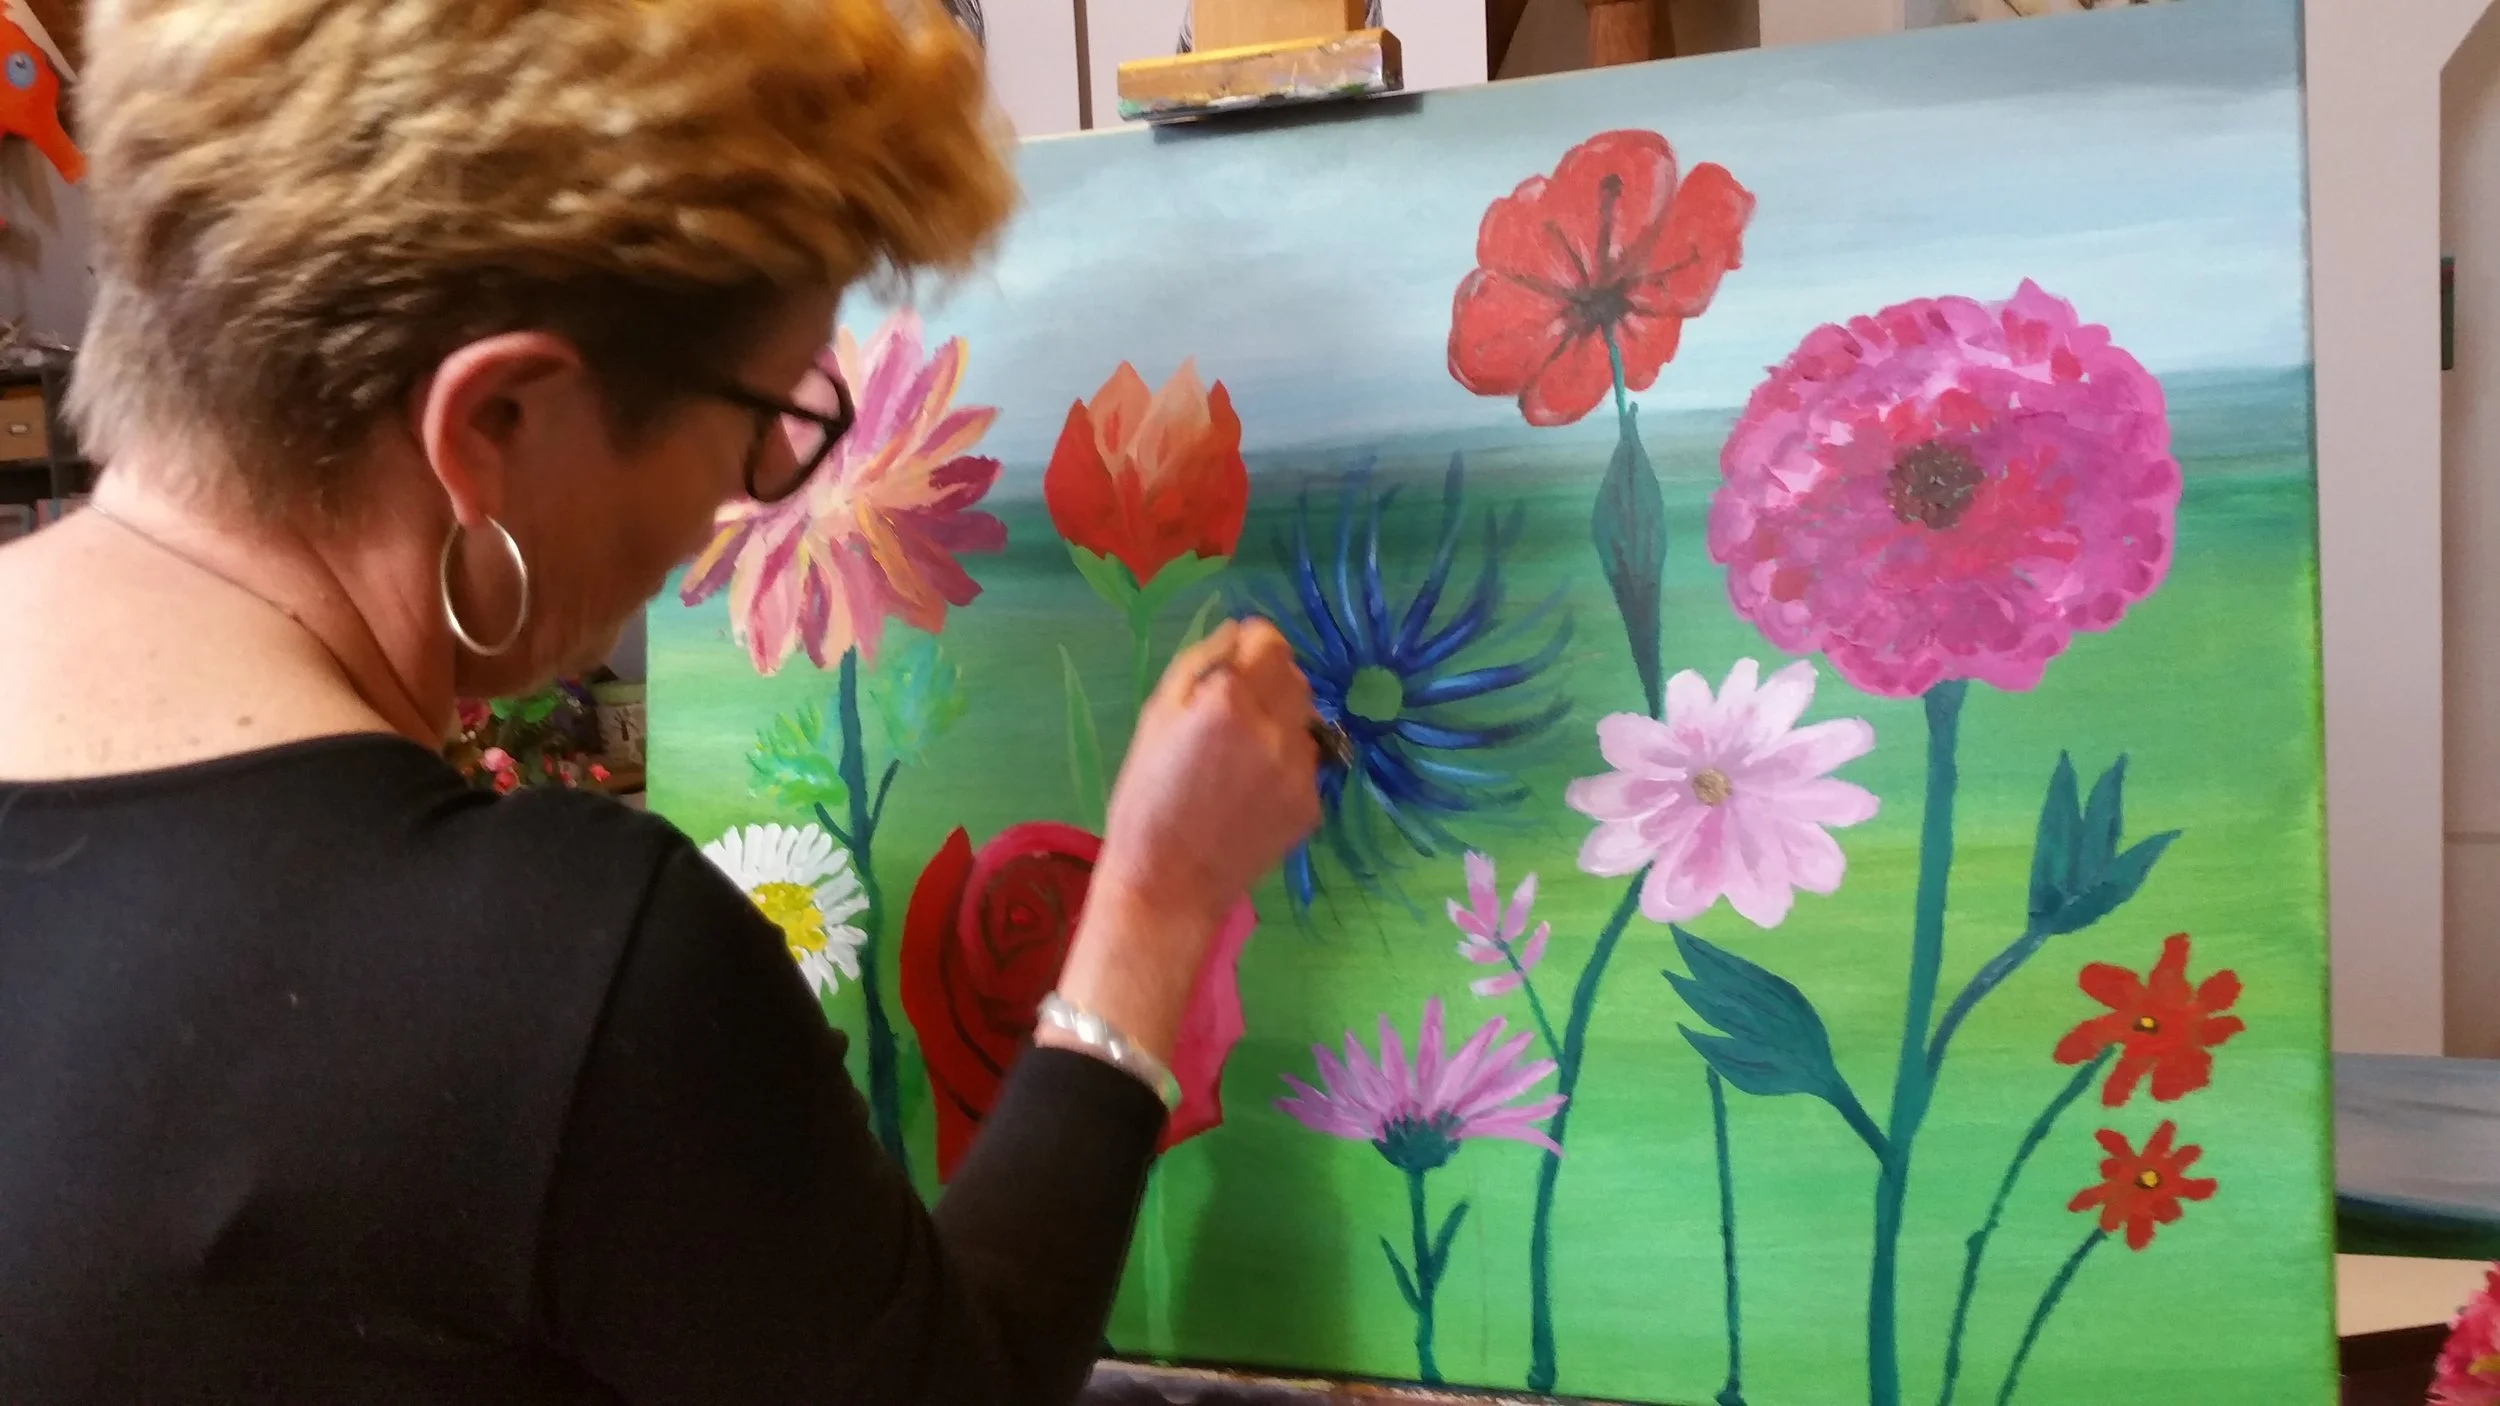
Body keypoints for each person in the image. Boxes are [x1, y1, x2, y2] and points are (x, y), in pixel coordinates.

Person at [0, 2, 1321, 1402]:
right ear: (496, 421)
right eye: (764, 421)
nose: (748, 501)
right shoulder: (547, 969)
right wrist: (1159, 899)